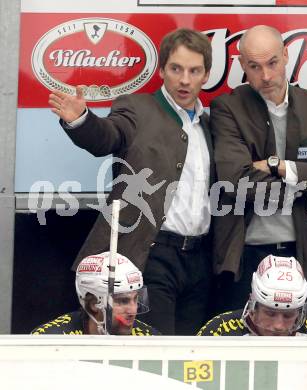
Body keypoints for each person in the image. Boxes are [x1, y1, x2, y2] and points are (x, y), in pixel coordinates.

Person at [48, 28, 215, 335]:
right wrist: (81, 119)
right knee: (154, 353)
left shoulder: (211, 123)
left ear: (206, 75)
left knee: (191, 355)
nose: (184, 80)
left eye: (194, 71)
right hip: (150, 254)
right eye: (176, 69)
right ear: (162, 69)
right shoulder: (137, 108)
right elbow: (108, 136)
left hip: (200, 261)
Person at [210, 25, 307, 318]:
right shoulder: (228, 108)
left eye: (272, 63)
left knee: (306, 353)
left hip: (303, 256)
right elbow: (236, 181)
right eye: (254, 66)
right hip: (244, 257)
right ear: (242, 66)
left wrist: (281, 167)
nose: (265, 76)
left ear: (286, 55)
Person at [198, 255, 307, 336]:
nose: (279, 326)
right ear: (252, 306)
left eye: (288, 315)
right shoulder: (218, 330)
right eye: (270, 313)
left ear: (300, 313)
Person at [32, 252, 160, 335]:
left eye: (136, 299)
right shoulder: (49, 339)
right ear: (93, 303)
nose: (133, 310)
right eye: (123, 301)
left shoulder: (150, 338)